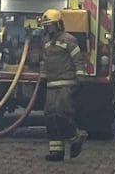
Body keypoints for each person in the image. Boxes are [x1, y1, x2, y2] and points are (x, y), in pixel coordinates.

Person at [39, 9, 87, 161]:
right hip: (51, 84)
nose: (48, 29)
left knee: (62, 113)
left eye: (50, 25)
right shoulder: (46, 42)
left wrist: (80, 76)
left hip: (66, 83)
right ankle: (56, 151)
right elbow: (44, 61)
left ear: (59, 25)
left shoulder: (69, 40)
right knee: (50, 117)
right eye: (46, 26)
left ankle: (76, 137)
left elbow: (78, 59)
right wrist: (42, 77)